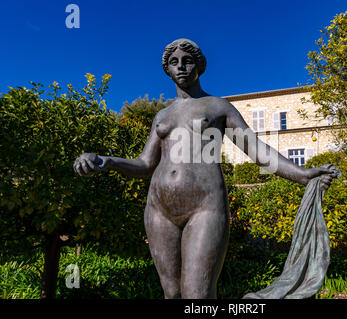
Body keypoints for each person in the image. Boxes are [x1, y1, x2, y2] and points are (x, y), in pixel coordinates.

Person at [73, 38, 333, 299]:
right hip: (159, 209)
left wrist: (303, 174)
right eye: (174, 62)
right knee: (172, 293)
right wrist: (107, 161)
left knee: (198, 294)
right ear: (167, 69)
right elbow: (144, 164)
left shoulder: (218, 106)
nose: (181, 67)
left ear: (199, 66)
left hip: (205, 207)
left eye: (188, 61)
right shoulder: (162, 115)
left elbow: (256, 149)